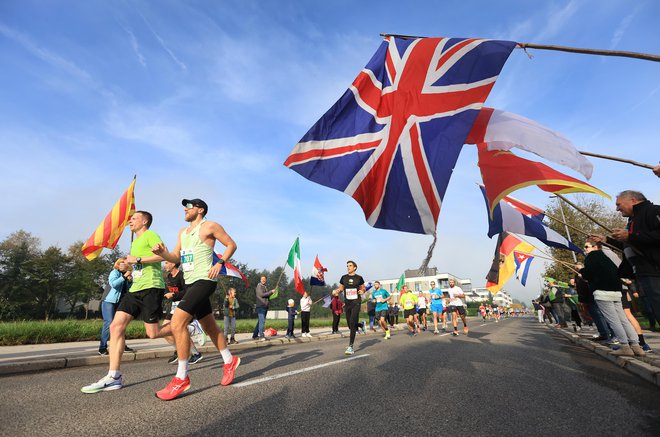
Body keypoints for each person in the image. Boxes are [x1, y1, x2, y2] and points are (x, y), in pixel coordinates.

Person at [151, 198, 241, 400]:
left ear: (200, 210)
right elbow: (176, 257)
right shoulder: (182, 232)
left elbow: (231, 245)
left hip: (205, 280)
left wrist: (220, 263)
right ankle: (229, 360)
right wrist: (162, 253)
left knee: (177, 322)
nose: (185, 209)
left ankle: (181, 377)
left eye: (189, 206)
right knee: (209, 326)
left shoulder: (210, 226)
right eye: (185, 206)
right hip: (190, 282)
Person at [82, 211, 171, 394]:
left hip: (151, 287)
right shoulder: (136, 241)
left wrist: (137, 259)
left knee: (153, 333)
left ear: (144, 221)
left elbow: (164, 256)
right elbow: (139, 264)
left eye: (135, 218)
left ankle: (185, 327)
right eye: (130, 218)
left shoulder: (150, 235)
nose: (130, 220)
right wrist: (128, 266)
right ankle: (114, 376)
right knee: (116, 327)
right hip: (135, 289)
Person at [591, 191, 660, 324]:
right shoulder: (633, 219)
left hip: (655, 271)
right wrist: (606, 240)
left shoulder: (653, 211)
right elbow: (630, 245)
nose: (617, 209)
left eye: (619, 204)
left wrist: (630, 236)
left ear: (633, 200)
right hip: (644, 272)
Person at [578, 239, 645, 357]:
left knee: (614, 320)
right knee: (623, 319)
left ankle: (625, 346)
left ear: (595, 246)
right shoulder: (607, 256)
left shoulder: (591, 257)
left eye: (586, 246)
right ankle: (636, 346)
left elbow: (588, 274)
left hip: (602, 292)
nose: (585, 249)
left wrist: (582, 271)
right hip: (616, 291)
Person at [163, 261, 205, 365]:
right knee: (168, 330)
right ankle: (186, 352)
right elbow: (167, 291)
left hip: (184, 305)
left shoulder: (182, 276)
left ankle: (194, 329)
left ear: (173, 264)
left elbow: (188, 292)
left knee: (174, 329)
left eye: (167, 262)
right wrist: (166, 294)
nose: (165, 264)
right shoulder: (169, 276)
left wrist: (173, 295)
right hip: (174, 306)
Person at [98, 258, 132, 355]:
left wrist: (130, 281)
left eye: (126, 264)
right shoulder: (114, 272)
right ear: (118, 264)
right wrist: (124, 276)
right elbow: (114, 284)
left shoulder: (126, 274)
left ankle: (122, 345)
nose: (125, 265)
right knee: (109, 323)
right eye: (123, 263)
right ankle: (102, 347)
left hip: (120, 302)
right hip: (109, 301)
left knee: (120, 324)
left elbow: (129, 288)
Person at [337, 260, 366, 354]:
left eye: (350, 265)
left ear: (354, 267)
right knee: (350, 325)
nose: (348, 267)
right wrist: (336, 291)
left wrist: (362, 291)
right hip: (347, 303)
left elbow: (363, 287)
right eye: (347, 266)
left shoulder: (359, 278)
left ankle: (350, 347)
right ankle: (361, 325)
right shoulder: (343, 278)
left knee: (352, 322)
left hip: (356, 302)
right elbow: (341, 288)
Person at [252, 276, 275, 340]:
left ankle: (255, 335)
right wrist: (271, 292)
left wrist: (272, 293)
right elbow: (262, 294)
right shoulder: (259, 286)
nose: (263, 280)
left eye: (264, 279)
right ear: (260, 280)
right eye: (262, 279)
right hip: (260, 306)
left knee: (260, 321)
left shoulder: (265, 286)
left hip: (264, 306)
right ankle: (262, 336)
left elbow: (266, 295)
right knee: (262, 321)